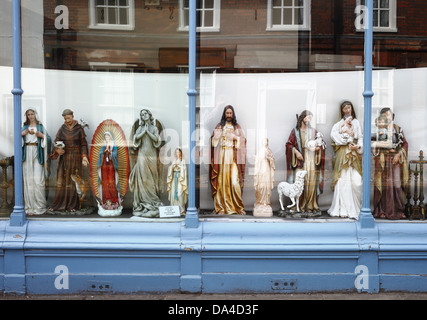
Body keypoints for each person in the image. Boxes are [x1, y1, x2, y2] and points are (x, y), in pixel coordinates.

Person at [285, 110, 325, 215]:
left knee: (311, 181)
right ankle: (298, 205)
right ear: (302, 118)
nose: (309, 120)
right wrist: (295, 151)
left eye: (311, 118)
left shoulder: (313, 131)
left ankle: (310, 205)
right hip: (300, 160)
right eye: (308, 118)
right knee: (299, 182)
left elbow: (321, 143)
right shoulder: (295, 131)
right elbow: (289, 145)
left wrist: (317, 149)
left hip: (311, 159)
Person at [371, 107, 409, 220]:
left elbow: (405, 144)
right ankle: (381, 210)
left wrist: (399, 154)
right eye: (385, 115)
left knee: (396, 185)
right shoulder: (379, 129)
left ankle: (398, 210)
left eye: (389, 114)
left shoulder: (398, 129)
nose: (388, 117)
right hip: (383, 160)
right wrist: (380, 146)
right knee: (383, 185)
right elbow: (370, 142)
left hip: (395, 161)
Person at [328, 101, 363, 219]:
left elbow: (360, 137)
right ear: (342, 111)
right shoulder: (338, 124)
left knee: (357, 181)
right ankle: (343, 208)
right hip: (343, 154)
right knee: (343, 180)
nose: (348, 110)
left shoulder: (356, 123)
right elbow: (334, 137)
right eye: (345, 109)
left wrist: (357, 147)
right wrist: (347, 141)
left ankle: (356, 208)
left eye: (349, 108)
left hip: (354, 155)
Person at [49, 109, 89, 212]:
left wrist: (84, 156)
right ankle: (60, 204)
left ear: (72, 116)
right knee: (62, 179)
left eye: (68, 118)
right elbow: (56, 141)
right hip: (65, 157)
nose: (67, 120)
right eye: (65, 118)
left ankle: (73, 205)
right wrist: (57, 150)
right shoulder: (62, 128)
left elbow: (83, 144)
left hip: (76, 157)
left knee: (73, 180)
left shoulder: (79, 128)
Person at [209, 105, 246, 215]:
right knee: (222, 181)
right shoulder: (220, 126)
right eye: (227, 113)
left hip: (233, 155)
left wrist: (235, 138)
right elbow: (212, 142)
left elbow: (243, 141)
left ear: (233, 114)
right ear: (224, 114)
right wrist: (216, 137)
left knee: (235, 182)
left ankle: (238, 207)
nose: (229, 115)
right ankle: (221, 207)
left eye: (230, 113)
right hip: (222, 155)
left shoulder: (237, 127)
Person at [128, 109, 165, 217]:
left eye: (145, 114)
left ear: (149, 115)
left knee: (152, 178)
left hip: (152, 155)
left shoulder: (154, 128)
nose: (143, 116)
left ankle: (153, 202)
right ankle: (144, 204)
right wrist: (142, 132)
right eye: (142, 114)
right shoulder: (139, 128)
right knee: (143, 178)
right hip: (142, 155)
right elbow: (135, 140)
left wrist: (147, 132)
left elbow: (157, 140)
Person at [21, 109, 52, 215]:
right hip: (27, 153)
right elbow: (16, 141)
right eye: (28, 114)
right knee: (28, 180)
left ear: (35, 115)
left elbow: (49, 139)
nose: (30, 116)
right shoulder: (24, 128)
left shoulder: (40, 127)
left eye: (32, 114)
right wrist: (21, 135)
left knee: (38, 181)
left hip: (38, 153)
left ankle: (40, 206)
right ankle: (30, 207)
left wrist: (42, 136)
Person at [97, 131, 121, 211]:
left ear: (110, 137)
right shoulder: (103, 146)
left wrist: (110, 151)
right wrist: (104, 151)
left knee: (111, 182)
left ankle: (114, 200)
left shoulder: (113, 145)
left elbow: (115, 154)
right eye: (106, 137)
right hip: (104, 165)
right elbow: (100, 153)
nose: (107, 138)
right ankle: (105, 200)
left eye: (108, 137)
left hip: (111, 165)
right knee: (105, 182)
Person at [253, 138, 275, 217]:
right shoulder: (259, 151)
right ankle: (259, 202)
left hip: (267, 172)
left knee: (266, 187)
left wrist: (269, 159)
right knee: (261, 187)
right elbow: (257, 161)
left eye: (266, 141)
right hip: (261, 171)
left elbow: (273, 164)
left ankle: (266, 203)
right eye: (263, 141)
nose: (264, 142)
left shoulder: (269, 151)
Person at [166, 147, 188, 215]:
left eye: (178, 152)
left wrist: (179, 166)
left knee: (180, 194)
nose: (177, 153)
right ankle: (174, 210)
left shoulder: (183, 161)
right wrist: (173, 167)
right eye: (176, 152)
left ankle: (182, 210)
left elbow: (184, 169)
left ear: (181, 153)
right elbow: (170, 168)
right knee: (173, 193)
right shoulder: (174, 160)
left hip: (180, 179)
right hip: (174, 179)